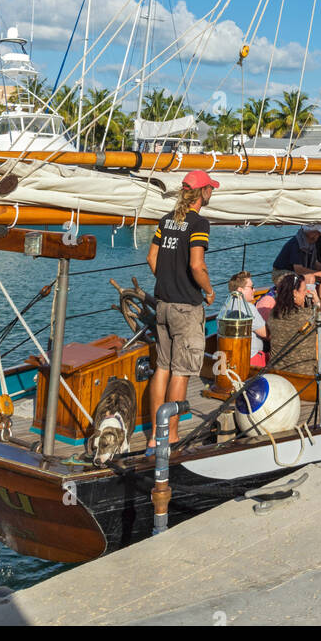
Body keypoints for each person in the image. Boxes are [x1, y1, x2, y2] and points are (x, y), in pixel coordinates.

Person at [145, 170, 217, 448]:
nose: (212, 192)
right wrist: (208, 291)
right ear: (203, 192)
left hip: (162, 304)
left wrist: (166, 281)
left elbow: (152, 257)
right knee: (180, 371)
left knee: (162, 368)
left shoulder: (166, 221)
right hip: (186, 309)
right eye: (211, 188)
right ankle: (171, 435)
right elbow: (197, 265)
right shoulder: (199, 223)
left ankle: (155, 436)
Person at [266, 273, 321, 377]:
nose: (307, 293)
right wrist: (317, 303)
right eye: (304, 290)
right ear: (294, 293)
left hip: (277, 373)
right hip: (303, 374)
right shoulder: (307, 316)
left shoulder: (273, 314)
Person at [218, 271, 267, 367]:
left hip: (230, 360)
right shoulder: (248, 308)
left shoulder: (226, 306)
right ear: (240, 290)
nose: (254, 290)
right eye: (251, 287)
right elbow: (266, 334)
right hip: (252, 359)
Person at [272, 224, 321, 297]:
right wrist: (318, 273)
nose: (319, 235)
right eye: (318, 233)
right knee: (310, 277)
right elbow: (298, 269)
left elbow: (314, 262)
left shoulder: (311, 244)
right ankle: (309, 304)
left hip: (296, 273)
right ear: (311, 233)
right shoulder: (296, 243)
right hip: (282, 273)